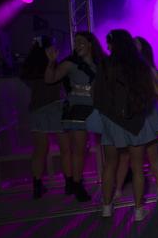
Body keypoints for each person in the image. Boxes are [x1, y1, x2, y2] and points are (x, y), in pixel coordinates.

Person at [92, 29, 158, 221]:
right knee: (138, 166)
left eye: (109, 44)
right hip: (136, 121)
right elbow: (154, 92)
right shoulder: (140, 64)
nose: (108, 47)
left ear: (113, 44)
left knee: (110, 165)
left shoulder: (105, 64)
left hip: (112, 122)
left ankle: (106, 207)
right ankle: (138, 210)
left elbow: (96, 95)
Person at [44, 31, 105, 202]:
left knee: (88, 149)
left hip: (96, 110)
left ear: (90, 44)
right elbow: (50, 79)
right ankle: (76, 184)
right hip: (76, 110)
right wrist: (51, 63)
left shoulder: (100, 64)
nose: (77, 45)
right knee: (78, 150)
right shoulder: (71, 64)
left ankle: (73, 183)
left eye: (81, 42)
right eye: (75, 42)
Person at [113, 36, 158, 200]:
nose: (132, 48)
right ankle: (118, 191)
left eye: (136, 45)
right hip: (134, 115)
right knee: (127, 156)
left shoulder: (146, 68)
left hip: (147, 114)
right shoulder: (129, 68)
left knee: (151, 155)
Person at [20, 35, 72, 199]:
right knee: (66, 149)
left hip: (36, 110)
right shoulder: (53, 65)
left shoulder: (30, 68)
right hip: (56, 108)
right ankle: (69, 184)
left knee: (39, 151)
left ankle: (37, 186)